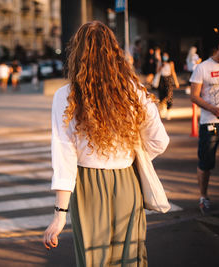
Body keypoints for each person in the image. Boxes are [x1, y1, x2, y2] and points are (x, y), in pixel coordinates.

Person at [42, 21, 169, 267]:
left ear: (77, 54)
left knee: (93, 259)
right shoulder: (134, 91)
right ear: (114, 53)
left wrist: (59, 216)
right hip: (127, 183)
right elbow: (159, 140)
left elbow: (64, 156)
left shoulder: (65, 96)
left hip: (87, 186)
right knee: (129, 258)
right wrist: (132, 156)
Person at [189, 36, 219, 215]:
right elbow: (194, 96)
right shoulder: (202, 68)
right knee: (206, 160)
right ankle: (203, 196)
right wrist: (213, 109)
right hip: (211, 122)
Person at [157, 52, 180, 120]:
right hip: (162, 79)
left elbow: (173, 72)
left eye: (166, 56)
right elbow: (157, 71)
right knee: (161, 96)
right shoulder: (160, 62)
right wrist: (161, 66)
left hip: (169, 79)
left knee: (169, 95)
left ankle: (168, 112)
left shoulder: (171, 63)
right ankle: (161, 111)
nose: (165, 57)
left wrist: (176, 81)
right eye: (164, 56)